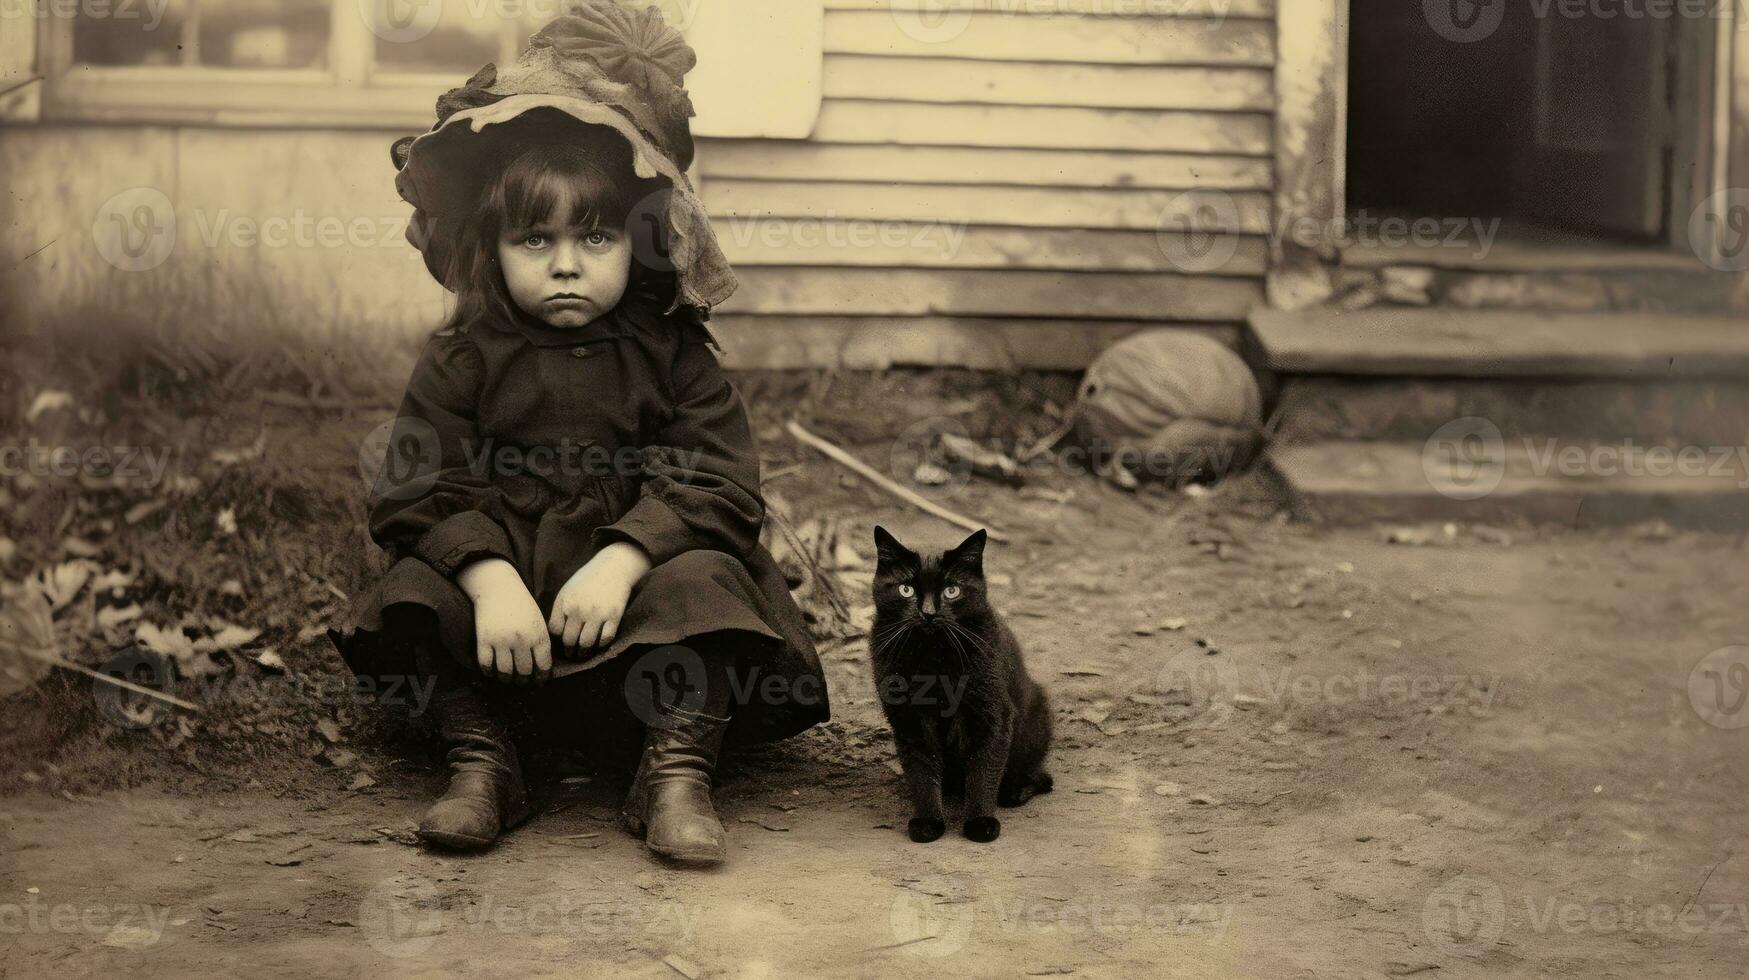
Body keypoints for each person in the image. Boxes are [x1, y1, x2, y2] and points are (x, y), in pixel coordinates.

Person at [331, 1, 829, 866]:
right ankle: (484, 758)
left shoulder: (672, 354)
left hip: (634, 626)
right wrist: (486, 579)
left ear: (640, 242)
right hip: (508, 632)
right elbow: (418, 485)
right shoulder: (462, 359)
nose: (566, 263)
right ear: (495, 247)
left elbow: (717, 480)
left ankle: (674, 769)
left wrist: (626, 556)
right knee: (414, 592)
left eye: (594, 236)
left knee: (714, 580)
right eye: (536, 238)